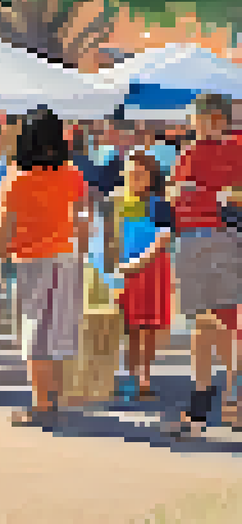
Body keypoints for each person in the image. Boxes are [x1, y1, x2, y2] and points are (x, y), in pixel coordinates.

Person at [0, 107, 89, 428]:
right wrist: (82, 252)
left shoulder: (14, 179)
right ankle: (54, 397)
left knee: (34, 331)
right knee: (58, 330)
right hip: (66, 256)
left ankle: (41, 404)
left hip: (30, 261)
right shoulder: (72, 174)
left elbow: (3, 229)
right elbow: (82, 218)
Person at [165, 93, 242, 436]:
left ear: (221, 119)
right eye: (199, 118)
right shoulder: (189, 151)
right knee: (205, 322)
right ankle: (210, 402)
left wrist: (209, 194)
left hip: (220, 238)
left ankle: (226, 401)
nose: (202, 124)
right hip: (193, 240)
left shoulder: (234, 147)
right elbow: (174, 193)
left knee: (223, 321)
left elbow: (228, 194)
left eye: (209, 118)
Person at [111, 151, 174, 402]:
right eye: (129, 174)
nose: (133, 179)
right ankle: (130, 376)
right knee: (130, 328)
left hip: (152, 270)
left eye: (139, 174)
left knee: (148, 327)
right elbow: (109, 235)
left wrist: (141, 261)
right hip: (124, 271)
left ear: (150, 177)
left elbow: (164, 237)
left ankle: (144, 378)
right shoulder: (117, 202)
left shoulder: (159, 204)